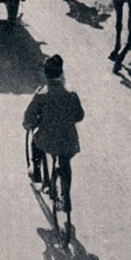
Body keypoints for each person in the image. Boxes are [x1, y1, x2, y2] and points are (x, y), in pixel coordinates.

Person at [23, 55, 84, 213]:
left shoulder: (41, 94)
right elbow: (79, 115)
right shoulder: (71, 93)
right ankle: (66, 197)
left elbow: (29, 117)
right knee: (65, 163)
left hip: (48, 138)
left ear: (46, 74)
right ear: (61, 72)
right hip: (68, 139)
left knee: (35, 144)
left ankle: (37, 173)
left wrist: (29, 124)